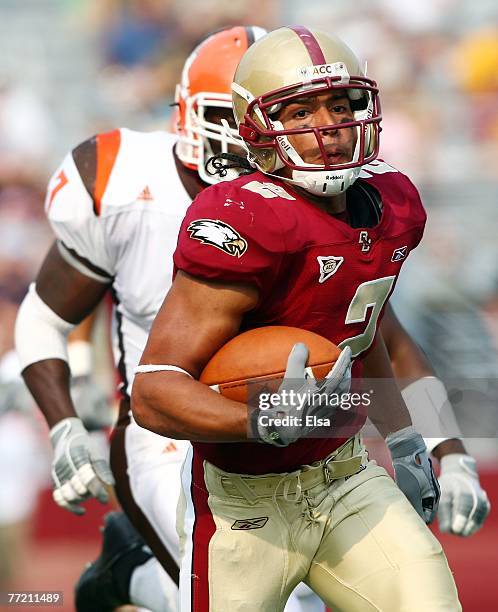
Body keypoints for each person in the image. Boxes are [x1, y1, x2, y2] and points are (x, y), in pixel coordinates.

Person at [132, 26, 465, 611]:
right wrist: (259, 420)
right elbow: (153, 392)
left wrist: (418, 440)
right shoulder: (247, 220)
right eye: (301, 110)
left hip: (344, 477)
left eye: (340, 105)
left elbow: (371, 333)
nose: (330, 126)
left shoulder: (393, 203)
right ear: (259, 133)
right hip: (245, 503)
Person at [14, 25, 323, 612]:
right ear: (190, 113)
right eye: (232, 117)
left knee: (302, 594)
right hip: (166, 436)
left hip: (282, 431)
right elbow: (43, 317)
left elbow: (381, 334)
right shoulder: (128, 184)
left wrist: (429, 440)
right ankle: (133, 571)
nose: (248, 137)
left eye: (267, 118)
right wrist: (63, 428)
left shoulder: (323, 199)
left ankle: (130, 575)